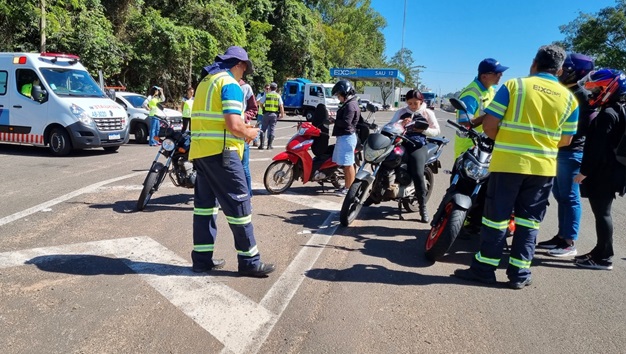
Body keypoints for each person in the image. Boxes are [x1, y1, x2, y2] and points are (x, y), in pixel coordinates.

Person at [453, 45, 579, 289]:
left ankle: (484, 269)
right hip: (542, 169)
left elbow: (489, 125)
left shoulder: (515, 86)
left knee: (495, 219)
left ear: (534, 64)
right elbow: (566, 140)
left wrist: (509, 140)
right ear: (560, 71)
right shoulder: (569, 99)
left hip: (508, 164)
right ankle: (520, 274)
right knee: (529, 221)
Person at [189, 46, 275, 277]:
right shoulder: (230, 85)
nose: (244, 74)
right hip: (223, 153)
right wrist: (250, 133)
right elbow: (234, 126)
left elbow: (214, 121)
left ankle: (202, 260)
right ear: (238, 64)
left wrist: (242, 128)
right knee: (240, 207)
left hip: (202, 153)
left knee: (205, 208)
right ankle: (249, 262)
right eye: (244, 68)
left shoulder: (206, 82)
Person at [536, 53, 595, 257]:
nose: (560, 71)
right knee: (560, 195)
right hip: (559, 151)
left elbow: (581, 127)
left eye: (565, 69)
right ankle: (561, 237)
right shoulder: (565, 91)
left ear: (574, 73)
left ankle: (569, 242)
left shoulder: (582, 95)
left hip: (572, 151)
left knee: (570, 196)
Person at [573, 69, 626, 270]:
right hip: (611, 171)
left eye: (597, 89)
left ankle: (604, 257)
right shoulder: (617, 109)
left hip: (603, 173)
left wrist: (583, 172)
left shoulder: (608, 115)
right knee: (602, 213)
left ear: (609, 89)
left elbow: (596, 148)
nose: (593, 93)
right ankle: (599, 251)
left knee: (602, 214)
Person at [388, 89, 440, 222]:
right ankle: (375, 194)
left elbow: (436, 131)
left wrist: (424, 130)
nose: (412, 106)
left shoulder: (427, 113)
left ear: (421, 102)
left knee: (417, 173)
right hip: (401, 143)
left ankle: (422, 207)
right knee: (384, 161)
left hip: (417, 145)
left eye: (415, 103)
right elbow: (390, 125)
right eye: (409, 103)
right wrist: (401, 123)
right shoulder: (401, 112)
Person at [454, 58, 508, 157]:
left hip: (485, 146)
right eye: (497, 73)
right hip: (468, 149)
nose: (501, 75)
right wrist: (491, 115)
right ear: (484, 76)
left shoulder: (491, 89)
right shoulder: (470, 95)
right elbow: (465, 124)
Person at [331, 80, 360, 195]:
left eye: (339, 95)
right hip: (345, 136)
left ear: (345, 93)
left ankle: (349, 189)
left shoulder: (350, 105)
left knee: (348, 164)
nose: (338, 97)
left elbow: (346, 123)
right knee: (346, 164)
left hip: (347, 137)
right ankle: (347, 187)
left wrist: (334, 121)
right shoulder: (349, 104)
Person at [240, 78, 259, 196]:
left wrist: (244, 117)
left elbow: (253, 108)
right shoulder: (222, 83)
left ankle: (248, 195)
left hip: (242, 131)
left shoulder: (245, 87)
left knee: (244, 166)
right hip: (225, 134)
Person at [258, 82, 284, 149]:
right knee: (272, 129)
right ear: (276, 88)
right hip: (274, 114)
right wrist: (282, 114)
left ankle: (261, 145)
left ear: (270, 88)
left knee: (263, 129)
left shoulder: (267, 95)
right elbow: (281, 106)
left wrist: (263, 109)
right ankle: (269, 146)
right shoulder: (278, 96)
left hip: (266, 114)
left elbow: (260, 103)